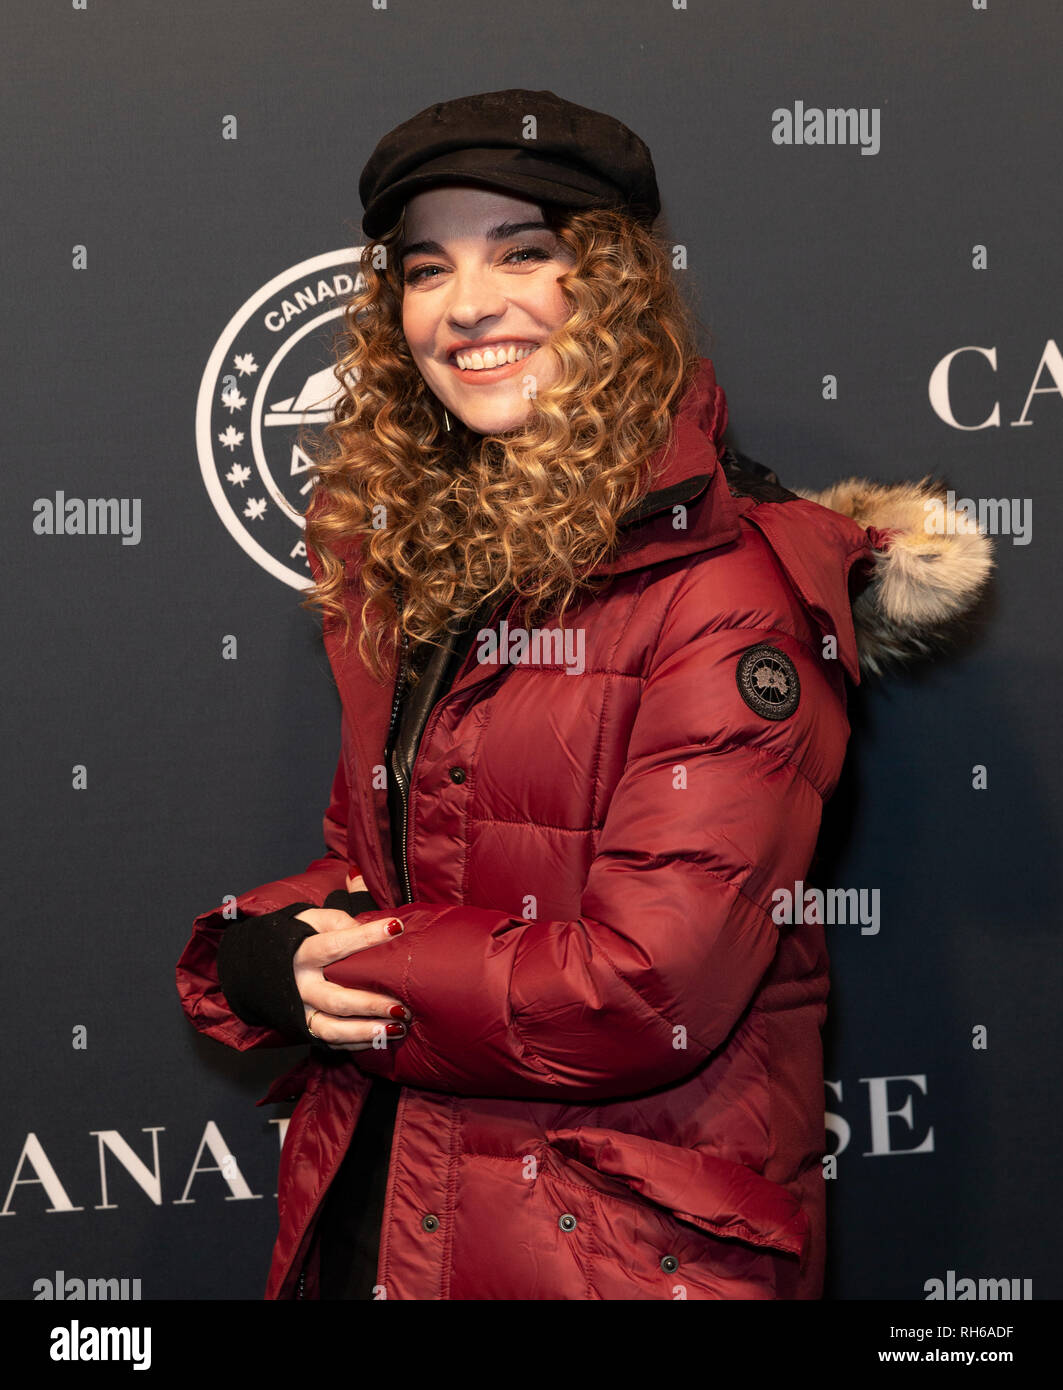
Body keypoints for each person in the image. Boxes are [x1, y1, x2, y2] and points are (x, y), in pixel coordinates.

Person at [176, 89, 993, 1300]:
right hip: (392, 1201)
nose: (466, 306)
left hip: (606, 1253)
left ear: (609, 286)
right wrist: (259, 956)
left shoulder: (728, 587)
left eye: (523, 253)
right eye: (424, 269)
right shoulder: (424, 558)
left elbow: (642, 988)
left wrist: (356, 970)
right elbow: (391, 870)